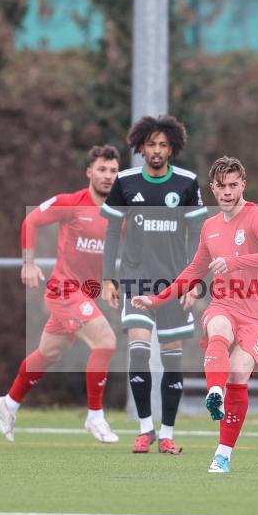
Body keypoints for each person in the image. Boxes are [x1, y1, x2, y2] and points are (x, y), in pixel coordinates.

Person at [132, 156, 258, 473]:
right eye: (221, 186)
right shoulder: (210, 227)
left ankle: (223, 454)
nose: (227, 192)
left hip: (257, 315)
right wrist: (158, 299)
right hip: (224, 305)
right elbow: (195, 270)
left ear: (243, 185)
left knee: (239, 374)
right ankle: (213, 391)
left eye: (233, 185)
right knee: (218, 328)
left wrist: (235, 262)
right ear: (213, 189)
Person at [0, 145, 121, 444]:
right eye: (102, 169)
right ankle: (95, 416)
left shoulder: (118, 213)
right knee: (106, 342)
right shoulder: (72, 203)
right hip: (64, 290)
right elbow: (31, 221)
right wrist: (28, 263)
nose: (108, 176)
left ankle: (8, 404)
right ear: (89, 172)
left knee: (48, 354)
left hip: (85, 294)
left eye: (113, 171)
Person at [100, 116, 208, 455]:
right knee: (139, 351)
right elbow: (113, 232)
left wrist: (193, 282)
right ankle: (145, 428)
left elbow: (197, 236)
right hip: (136, 280)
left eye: (163, 145)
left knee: (172, 360)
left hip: (175, 284)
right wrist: (108, 277)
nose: (157, 151)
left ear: (172, 148)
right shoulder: (126, 182)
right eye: (151, 144)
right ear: (141, 147)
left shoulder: (187, 182)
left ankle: (168, 434)